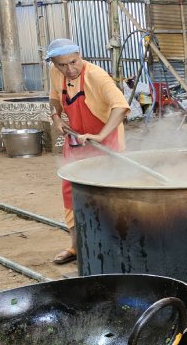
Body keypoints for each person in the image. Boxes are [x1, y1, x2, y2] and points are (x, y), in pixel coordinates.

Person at [47, 38, 130, 264]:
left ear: (80, 54)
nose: (70, 69)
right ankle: (75, 247)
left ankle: (115, 247)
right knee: (70, 192)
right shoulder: (56, 74)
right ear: (53, 63)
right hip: (76, 141)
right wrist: (55, 117)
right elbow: (54, 99)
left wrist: (100, 135)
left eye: (73, 62)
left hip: (106, 142)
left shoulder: (96, 76)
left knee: (106, 194)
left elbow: (121, 107)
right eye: (62, 65)